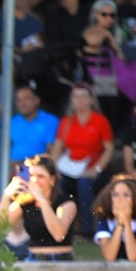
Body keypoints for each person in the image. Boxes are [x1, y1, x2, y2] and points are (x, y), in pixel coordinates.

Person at [50, 83, 113, 238]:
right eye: (76, 96)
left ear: (91, 99)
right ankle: (60, 228)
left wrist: (96, 170)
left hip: (93, 170)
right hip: (69, 169)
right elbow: (58, 146)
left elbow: (109, 149)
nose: (79, 100)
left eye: (83, 96)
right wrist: (51, 169)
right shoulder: (66, 121)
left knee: (84, 184)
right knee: (58, 185)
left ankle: (87, 231)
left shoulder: (100, 121)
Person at [10, 85, 60, 165]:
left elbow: (52, 150)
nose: (22, 104)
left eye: (26, 99)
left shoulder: (50, 121)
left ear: (37, 100)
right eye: (19, 100)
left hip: (37, 165)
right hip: (12, 166)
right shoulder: (12, 121)